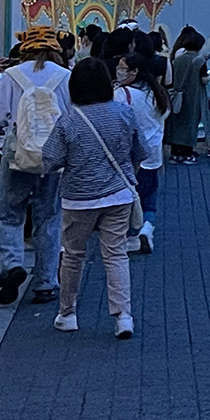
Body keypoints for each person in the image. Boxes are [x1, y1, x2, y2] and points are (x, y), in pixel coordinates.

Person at [44, 57, 150, 339]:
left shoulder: (68, 120)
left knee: (73, 256)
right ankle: (123, 316)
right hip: (117, 194)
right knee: (115, 254)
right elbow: (141, 152)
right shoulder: (124, 113)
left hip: (78, 197)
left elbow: (50, 160)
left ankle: (67, 313)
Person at [0, 27, 72, 306]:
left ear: (25, 49)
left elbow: (1, 116)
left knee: (9, 212)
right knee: (48, 216)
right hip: (53, 156)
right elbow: (71, 116)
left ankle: (12, 265)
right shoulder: (64, 76)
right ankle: (46, 282)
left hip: (18, 154)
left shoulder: (11, 76)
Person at [113, 51, 168, 254]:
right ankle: (147, 227)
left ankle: (133, 234)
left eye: (122, 67)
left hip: (129, 155)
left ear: (135, 71)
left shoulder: (122, 94)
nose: (118, 71)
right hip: (152, 154)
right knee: (149, 198)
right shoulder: (156, 93)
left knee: (129, 198)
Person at [163, 25, 208, 163]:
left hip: (176, 96)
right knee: (190, 123)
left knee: (176, 124)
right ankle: (188, 154)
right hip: (192, 96)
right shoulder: (199, 61)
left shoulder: (177, 59)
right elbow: (204, 80)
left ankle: (175, 154)